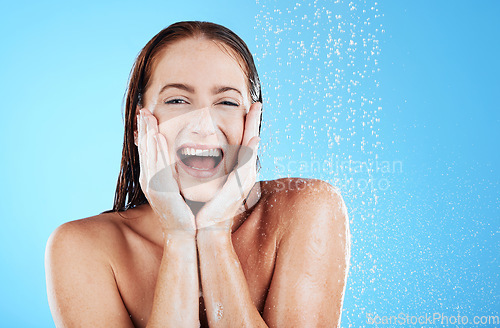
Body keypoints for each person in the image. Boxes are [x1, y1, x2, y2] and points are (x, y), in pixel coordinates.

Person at [45, 21, 350, 328]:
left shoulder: (304, 209)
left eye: (227, 102)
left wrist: (215, 233)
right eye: (177, 100)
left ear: (252, 122)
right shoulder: (82, 248)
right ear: (139, 125)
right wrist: (178, 237)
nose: (203, 126)